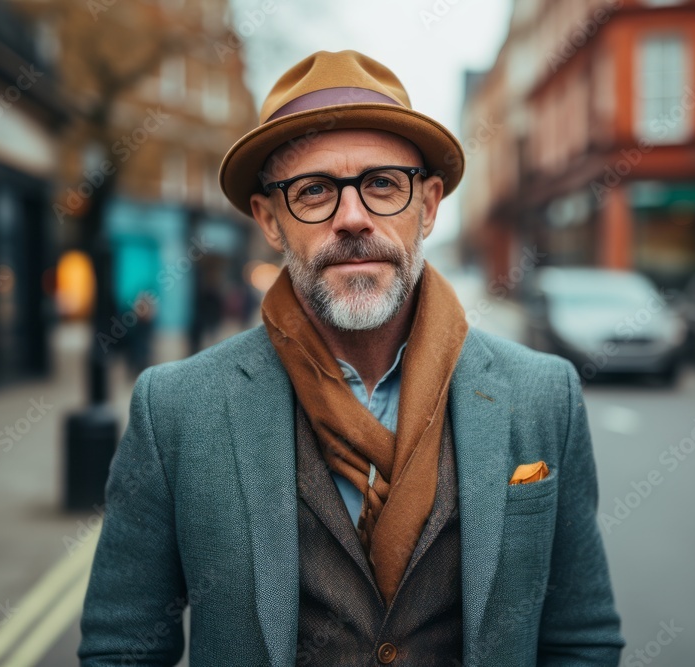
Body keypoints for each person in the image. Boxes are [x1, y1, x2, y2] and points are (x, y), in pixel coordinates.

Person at [79, 50, 623, 666]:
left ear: (429, 205)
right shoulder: (175, 409)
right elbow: (121, 648)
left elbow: (581, 637)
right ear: (270, 220)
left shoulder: (543, 394)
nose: (353, 218)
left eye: (383, 184)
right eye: (313, 192)